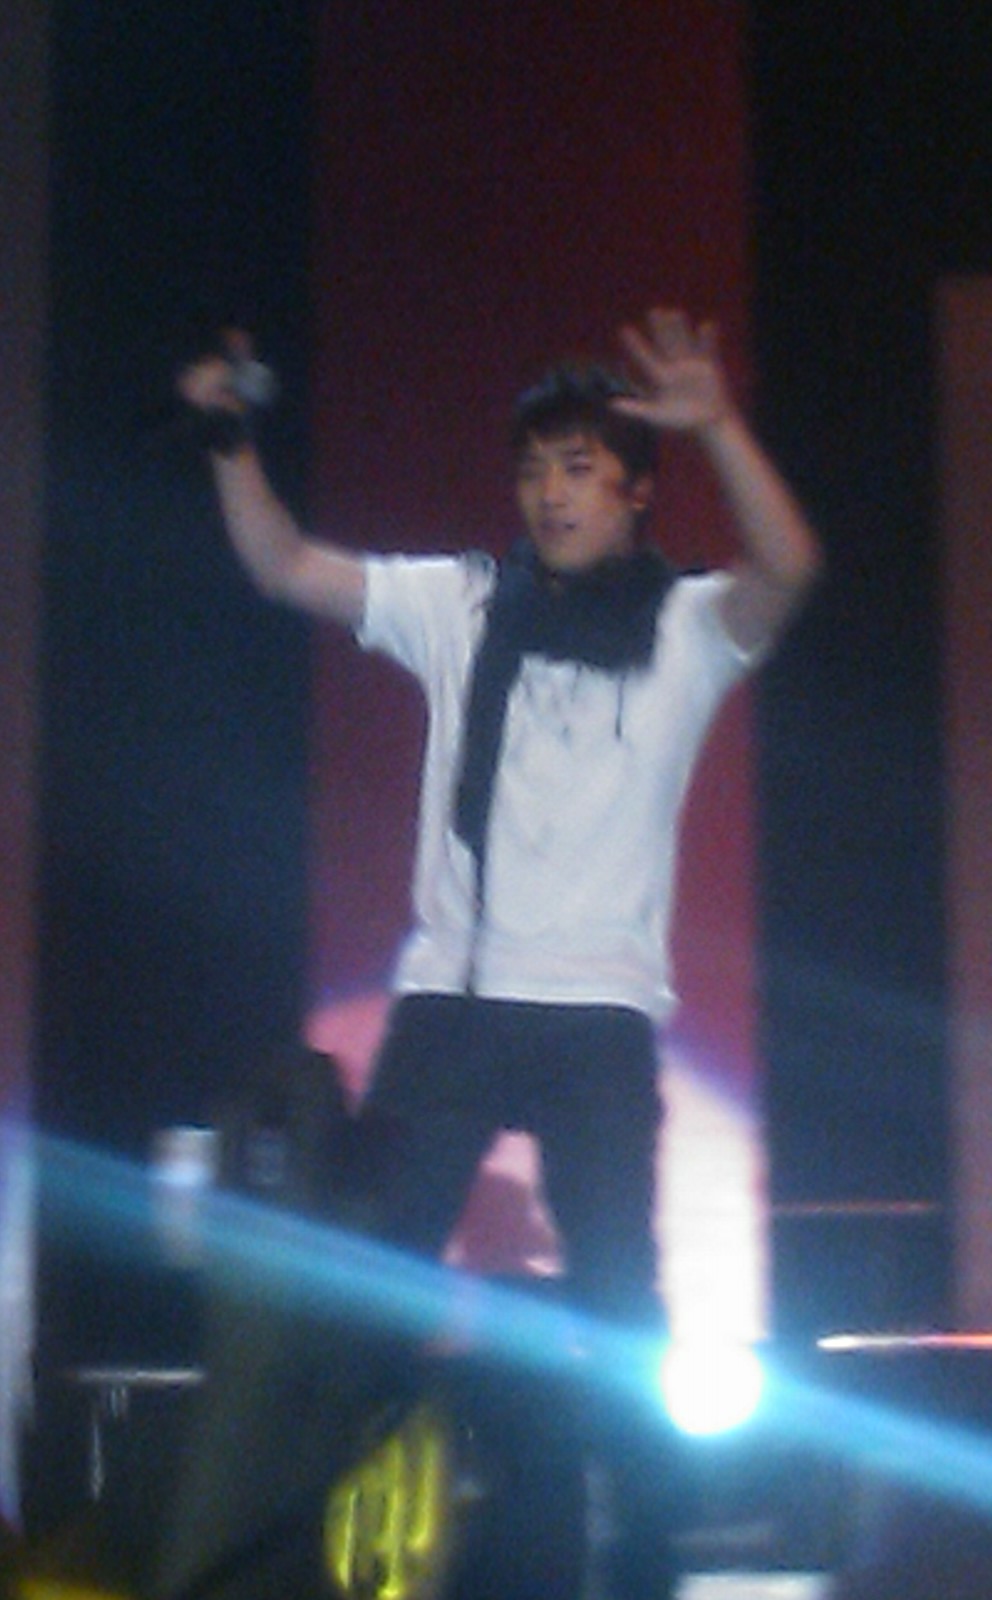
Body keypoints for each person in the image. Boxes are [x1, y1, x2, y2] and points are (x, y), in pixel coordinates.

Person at [177, 307, 822, 1599]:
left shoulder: (687, 628)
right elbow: (283, 564)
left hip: (596, 1015)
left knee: (619, 1301)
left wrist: (718, 427)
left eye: (579, 468)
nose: (550, 493)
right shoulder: (463, 603)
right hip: (454, 1002)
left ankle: (643, 1555)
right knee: (365, 1293)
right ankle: (295, 1549)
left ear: (635, 492)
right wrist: (229, 439)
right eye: (533, 471)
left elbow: (790, 568)